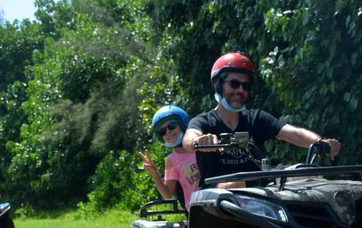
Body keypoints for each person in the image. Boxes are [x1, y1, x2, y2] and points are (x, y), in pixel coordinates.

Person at [182, 52, 341, 188]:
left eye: (246, 86)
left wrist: (321, 142)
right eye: (234, 84)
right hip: (214, 198)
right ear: (218, 86)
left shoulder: (257, 118)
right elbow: (189, 139)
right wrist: (200, 141)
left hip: (257, 199)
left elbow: (295, 133)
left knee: (304, 178)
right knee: (235, 184)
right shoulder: (204, 122)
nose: (240, 90)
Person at [140, 105, 201, 210]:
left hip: (216, 201)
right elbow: (167, 195)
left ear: (183, 124)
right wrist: (154, 173)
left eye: (172, 126)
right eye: (162, 131)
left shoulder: (202, 146)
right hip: (196, 209)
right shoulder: (171, 160)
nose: (168, 132)